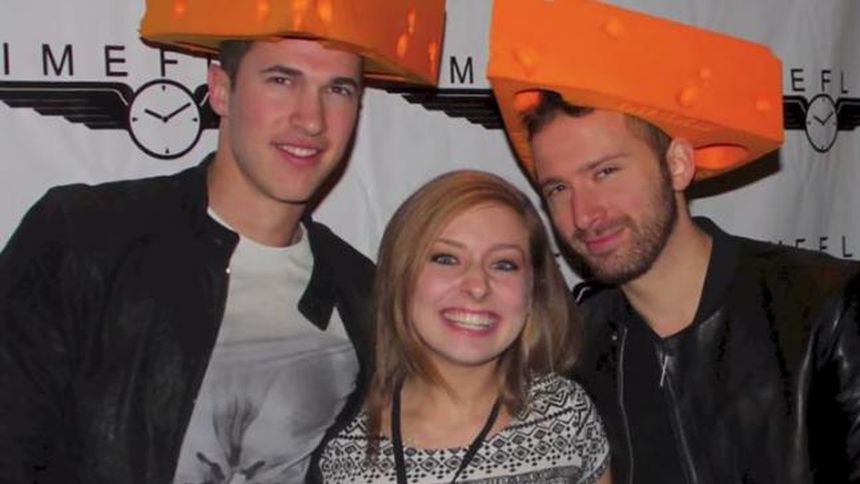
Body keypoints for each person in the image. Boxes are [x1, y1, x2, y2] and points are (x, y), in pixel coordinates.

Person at [0, 1, 444, 483]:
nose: (312, 119)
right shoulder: (83, 237)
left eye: (337, 89)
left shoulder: (363, 294)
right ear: (221, 89)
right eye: (282, 80)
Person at [487, 2, 860, 482]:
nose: (584, 215)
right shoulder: (572, 353)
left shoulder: (824, 309)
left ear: (678, 165)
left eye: (606, 172)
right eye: (558, 188)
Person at [313, 170, 611, 483]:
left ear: (533, 290)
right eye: (446, 258)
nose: (477, 286)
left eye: (504, 264)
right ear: (400, 276)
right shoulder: (338, 443)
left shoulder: (565, 414)